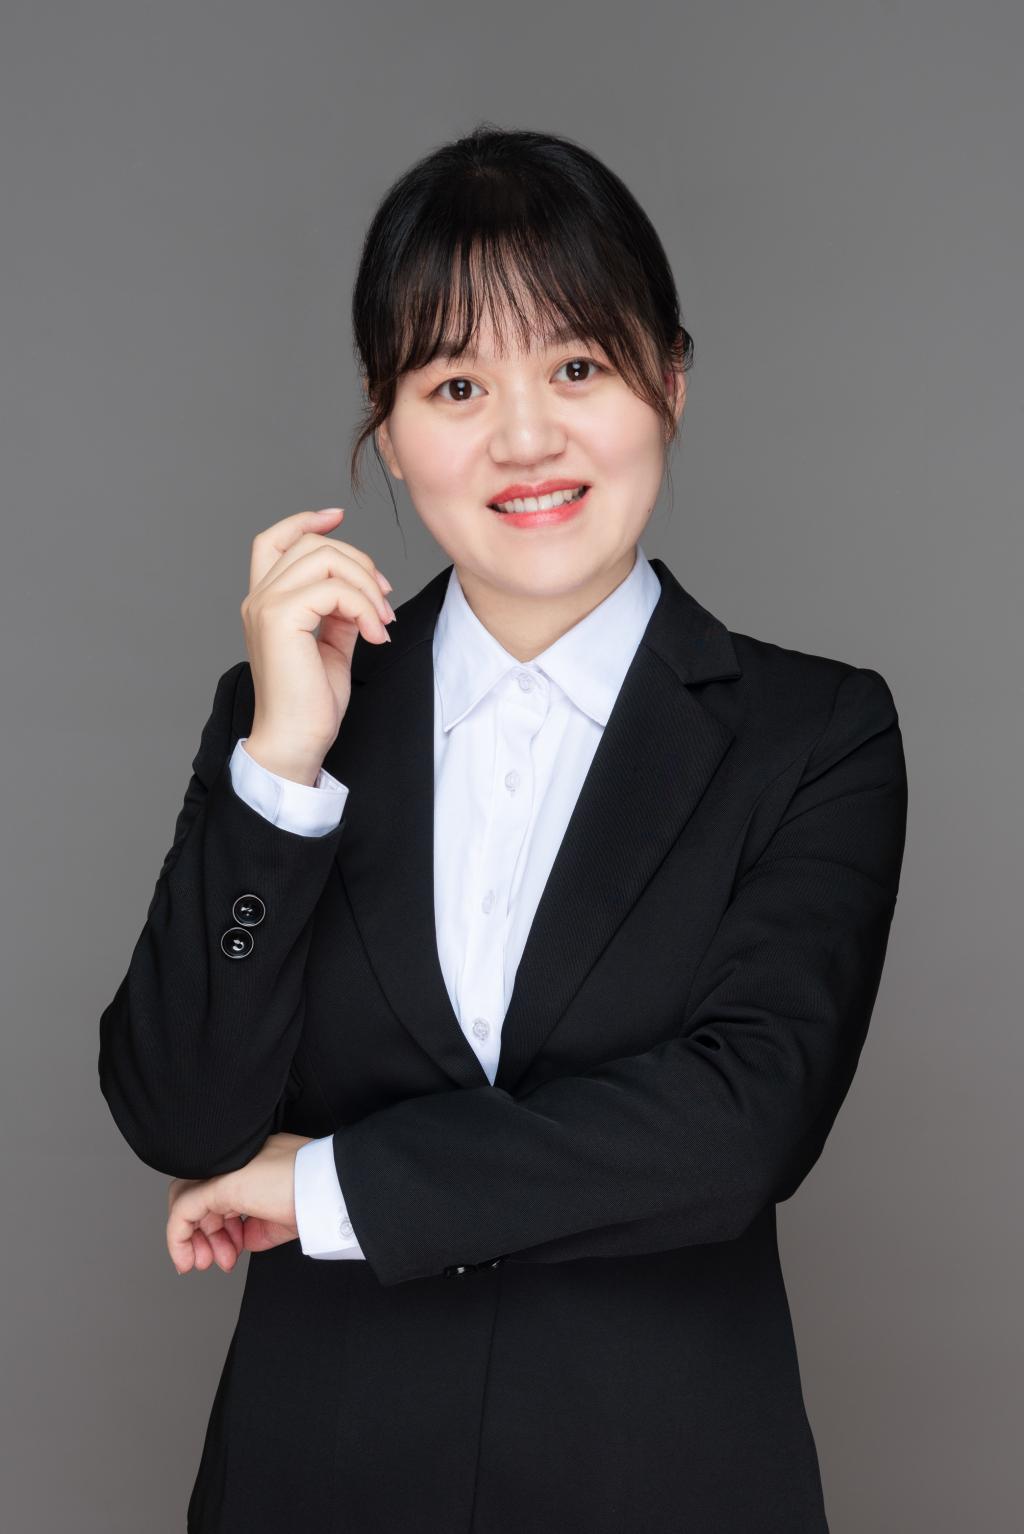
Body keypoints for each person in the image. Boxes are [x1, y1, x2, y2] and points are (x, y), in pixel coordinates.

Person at [98, 124, 908, 1533]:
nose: (525, 438)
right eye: (458, 384)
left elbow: (735, 1126)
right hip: (314, 1484)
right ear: (388, 431)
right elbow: (180, 1113)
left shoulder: (814, 733)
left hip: (662, 1488)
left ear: (670, 380)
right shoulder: (284, 714)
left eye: (578, 366)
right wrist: (281, 767)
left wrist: (333, 1186)